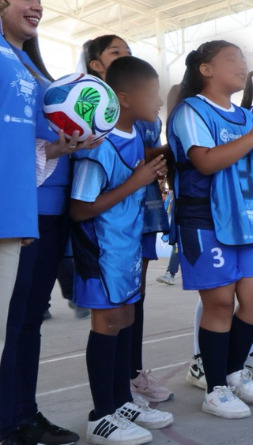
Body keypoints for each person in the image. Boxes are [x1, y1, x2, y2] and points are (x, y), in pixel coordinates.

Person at [0, 1, 98, 443]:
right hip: (22, 208)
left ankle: (23, 413)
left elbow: (37, 143)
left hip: (47, 212)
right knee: (13, 322)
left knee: (26, 323)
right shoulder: (8, 64)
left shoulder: (34, 71)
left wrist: (65, 147)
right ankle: (10, 419)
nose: (37, 6)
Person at [168, 40, 253, 419]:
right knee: (219, 303)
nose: (242, 65)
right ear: (206, 69)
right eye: (232, 59)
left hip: (246, 220)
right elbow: (204, 162)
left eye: (244, 60)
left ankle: (233, 372)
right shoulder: (191, 110)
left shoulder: (247, 118)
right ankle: (215, 388)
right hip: (205, 220)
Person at [70, 56, 174, 445]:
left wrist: (147, 174)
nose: (159, 101)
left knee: (127, 315)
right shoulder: (100, 144)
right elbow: (80, 208)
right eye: (152, 93)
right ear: (125, 99)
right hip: (101, 251)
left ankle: (121, 402)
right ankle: (101, 416)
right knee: (107, 322)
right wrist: (137, 180)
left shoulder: (134, 139)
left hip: (126, 247)